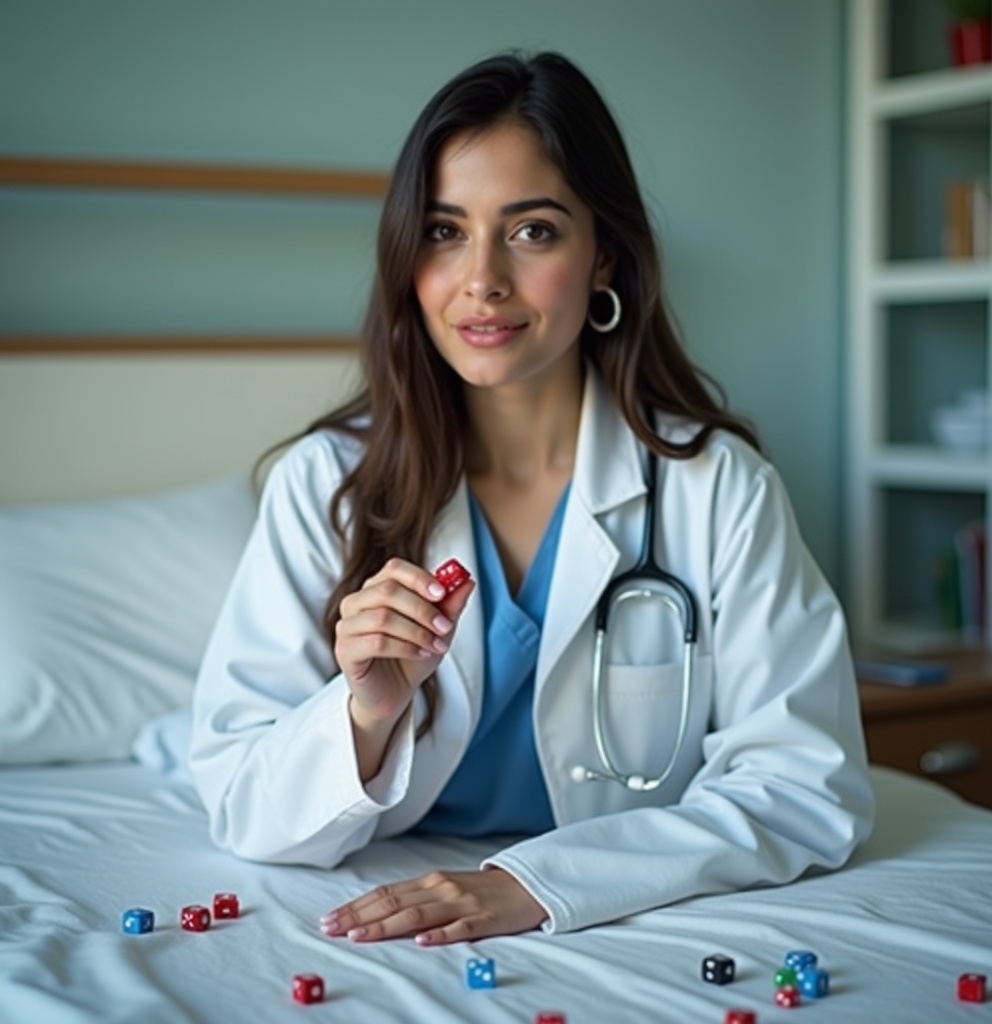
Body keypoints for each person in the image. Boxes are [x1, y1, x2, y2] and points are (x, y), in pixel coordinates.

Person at [188, 50, 874, 945]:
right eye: (443, 231)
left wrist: (530, 883)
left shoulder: (716, 487)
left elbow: (806, 785)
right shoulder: (328, 483)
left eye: (533, 230)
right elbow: (243, 805)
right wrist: (366, 713)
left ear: (604, 261)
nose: (483, 281)